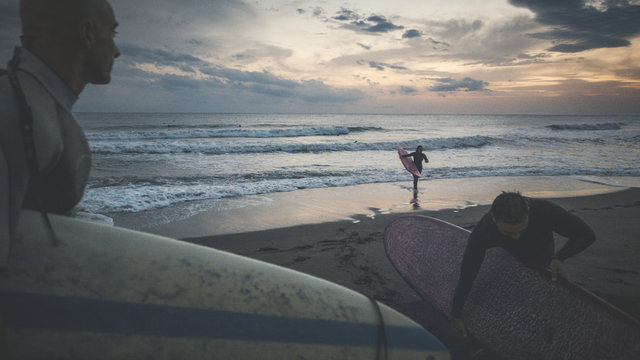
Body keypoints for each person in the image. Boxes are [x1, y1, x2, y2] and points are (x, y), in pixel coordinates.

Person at [0, 0, 120, 268]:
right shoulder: (15, 118)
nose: (117, 50)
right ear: (87, 33)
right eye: (112, 34)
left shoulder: (38, 106)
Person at [449, 191, 595, 337]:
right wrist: (455, 314)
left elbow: (586, 235)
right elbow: (468, 273)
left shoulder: (544, 211)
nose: (516, 236)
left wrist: (558, 258)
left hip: (542, 251)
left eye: (522, 229)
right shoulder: (483, 231)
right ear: (494, 219)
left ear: (528, 214)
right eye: (509, 232)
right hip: (509, 253)